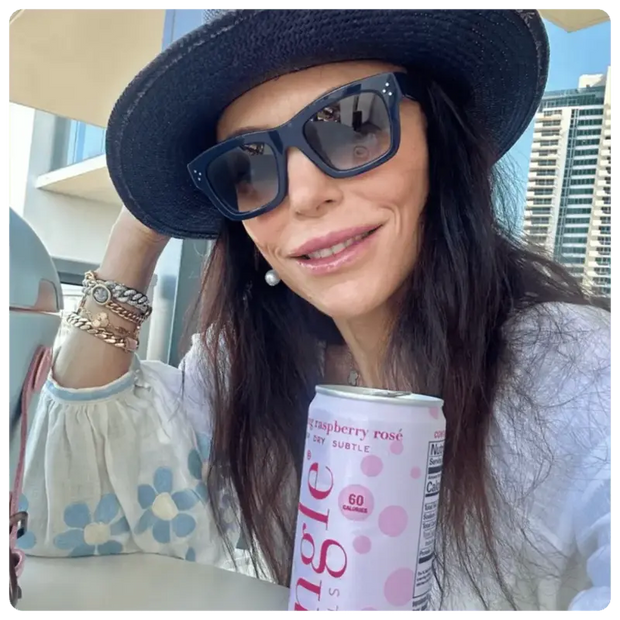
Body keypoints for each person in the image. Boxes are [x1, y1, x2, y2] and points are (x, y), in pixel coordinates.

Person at [18, 8, 611, 613]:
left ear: (440, 138)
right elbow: (75, 509)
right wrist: (139, 230)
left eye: (354, 124)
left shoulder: (576, 369)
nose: (303, 195)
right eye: (247, 166)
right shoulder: (245, 368)